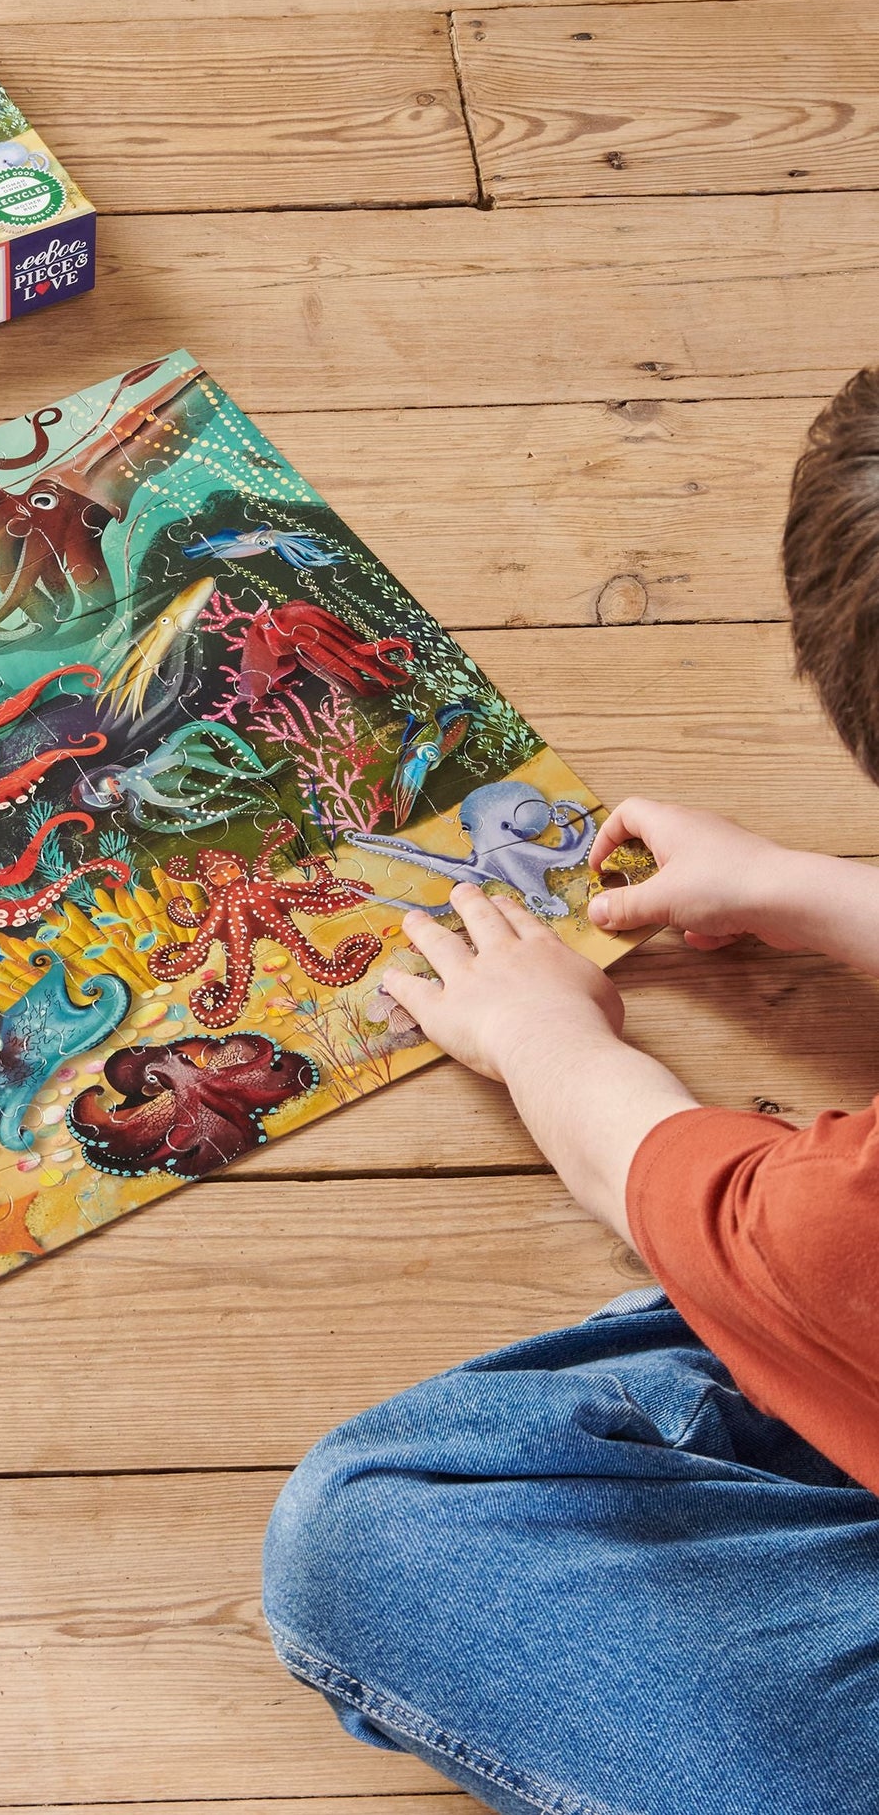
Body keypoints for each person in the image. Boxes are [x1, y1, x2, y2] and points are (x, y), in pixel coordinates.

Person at [262, 370, 879, 1815]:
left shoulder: (834, 1220)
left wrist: (547, 1039)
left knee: (374, 1532)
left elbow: (680, 1188)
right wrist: (815, 893)